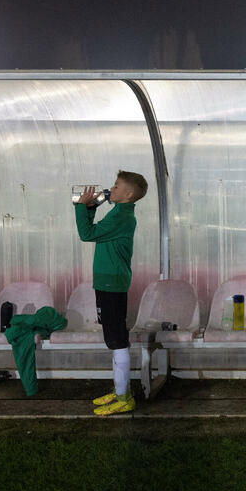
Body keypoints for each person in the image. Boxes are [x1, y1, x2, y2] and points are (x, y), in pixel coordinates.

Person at [73, 170, 148, 415]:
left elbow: (87, 234)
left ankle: (124, 398)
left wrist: (81, 207)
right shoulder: (118, 212)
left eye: (116, 187)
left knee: (117, 341)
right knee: (113, 338)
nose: (111, 189)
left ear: (128, 194)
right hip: (107, 282)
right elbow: (96, 230)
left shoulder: (122, 217)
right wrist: (91, 207)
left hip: (112, 284)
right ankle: (119, 391)